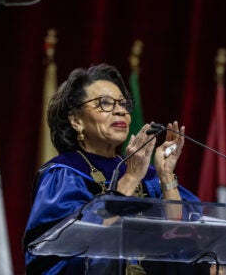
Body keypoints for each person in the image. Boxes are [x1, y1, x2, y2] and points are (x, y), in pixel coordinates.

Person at [23, 63, 210, 274]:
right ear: (76, 120)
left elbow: (181, 232)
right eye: (105, 103)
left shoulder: (147, 174)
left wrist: (166, 175)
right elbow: (70, 243)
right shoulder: (65, 173)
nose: (120, 111)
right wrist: (130, 177)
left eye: (123, 104)